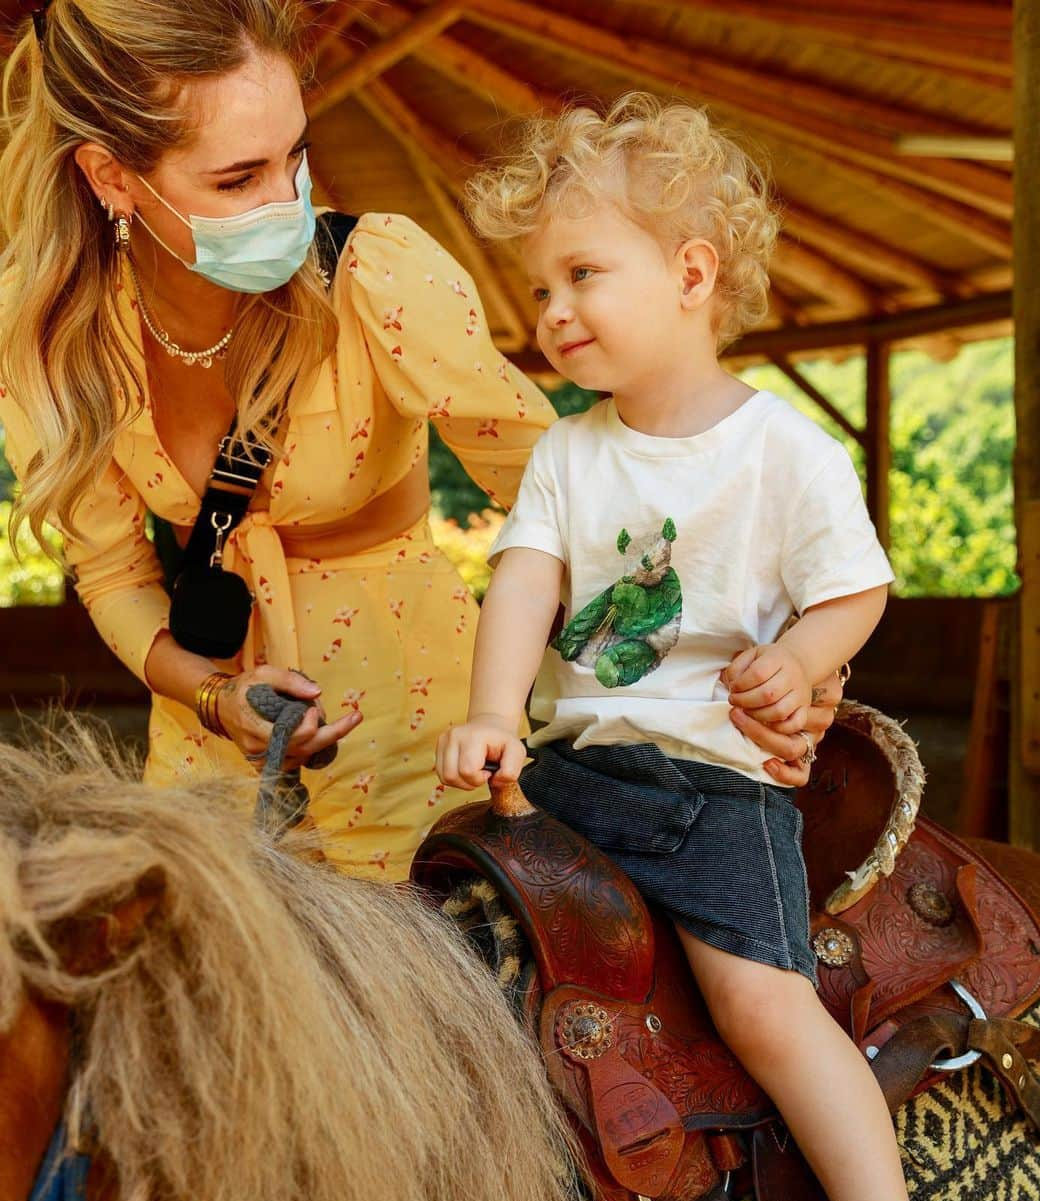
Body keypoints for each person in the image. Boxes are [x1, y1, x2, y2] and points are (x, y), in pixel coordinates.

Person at [0, 2, 832, 880]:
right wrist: (212, 697)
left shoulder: (378, 276)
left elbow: (584, 505)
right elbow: (113, 574)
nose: (287, 203)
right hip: (204, 763)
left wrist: (780, 658)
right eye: (239, 179)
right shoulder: (46, 339)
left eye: (296, 157)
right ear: (111, 177)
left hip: (425, 734)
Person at [437, 95, 983, 1201]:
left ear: (690, 274)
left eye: (582, 274)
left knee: (764, 1010)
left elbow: (856, 585)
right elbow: (525, 577)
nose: (553, 311)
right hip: (571, 785)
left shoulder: (781, 451)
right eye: (540, 290)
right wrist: (490, 713)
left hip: (712, 789)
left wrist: (797, 658)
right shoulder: (569, 455)